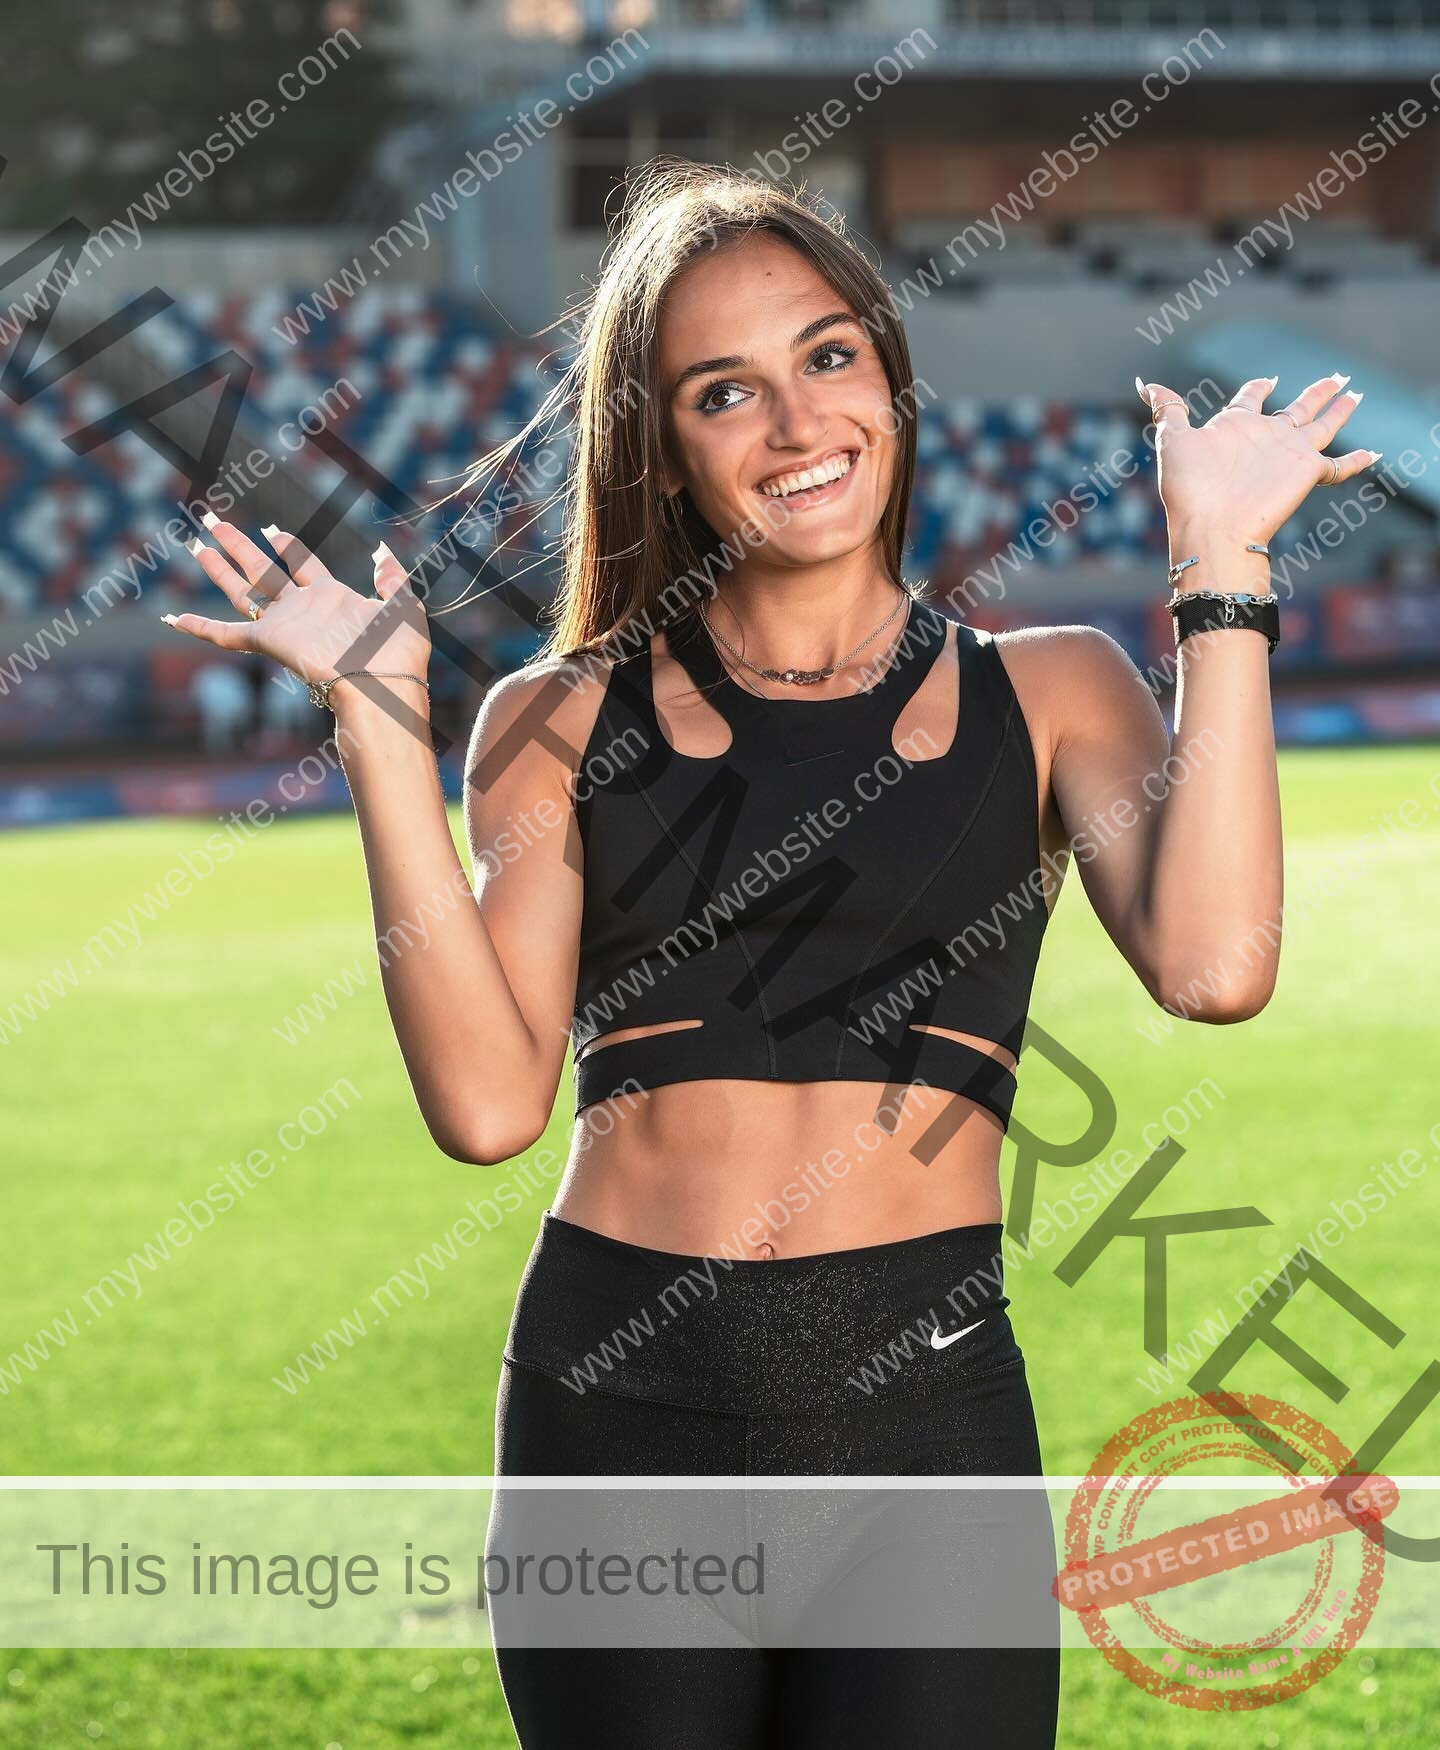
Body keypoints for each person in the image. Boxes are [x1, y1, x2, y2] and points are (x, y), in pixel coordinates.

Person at [162, 159, 1374, 1748]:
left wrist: (1220, 570)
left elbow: (1217, 967)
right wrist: (381, 731)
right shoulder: (553, 719)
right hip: (616, 1415)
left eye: (829, 357)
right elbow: (484, 1106)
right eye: (726, 392)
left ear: (888, 372)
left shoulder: (1060, 689)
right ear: (662, 446)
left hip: (924, 1424)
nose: (800, 428)